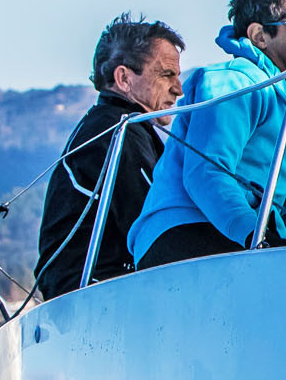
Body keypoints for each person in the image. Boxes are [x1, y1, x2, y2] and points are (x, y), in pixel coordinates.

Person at [129, 0, 286, 269]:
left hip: (242, 238)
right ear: (259, 36)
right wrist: (255, 235)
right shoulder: (234, 83)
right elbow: (207, 172)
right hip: (184, 233)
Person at [34, 15, 185, 299]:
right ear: (124, 78)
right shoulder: (119, 131)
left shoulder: (110, 125)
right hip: (94, 297)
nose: (179, 88)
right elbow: (155, 227)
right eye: (166, 74)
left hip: (86, 296)